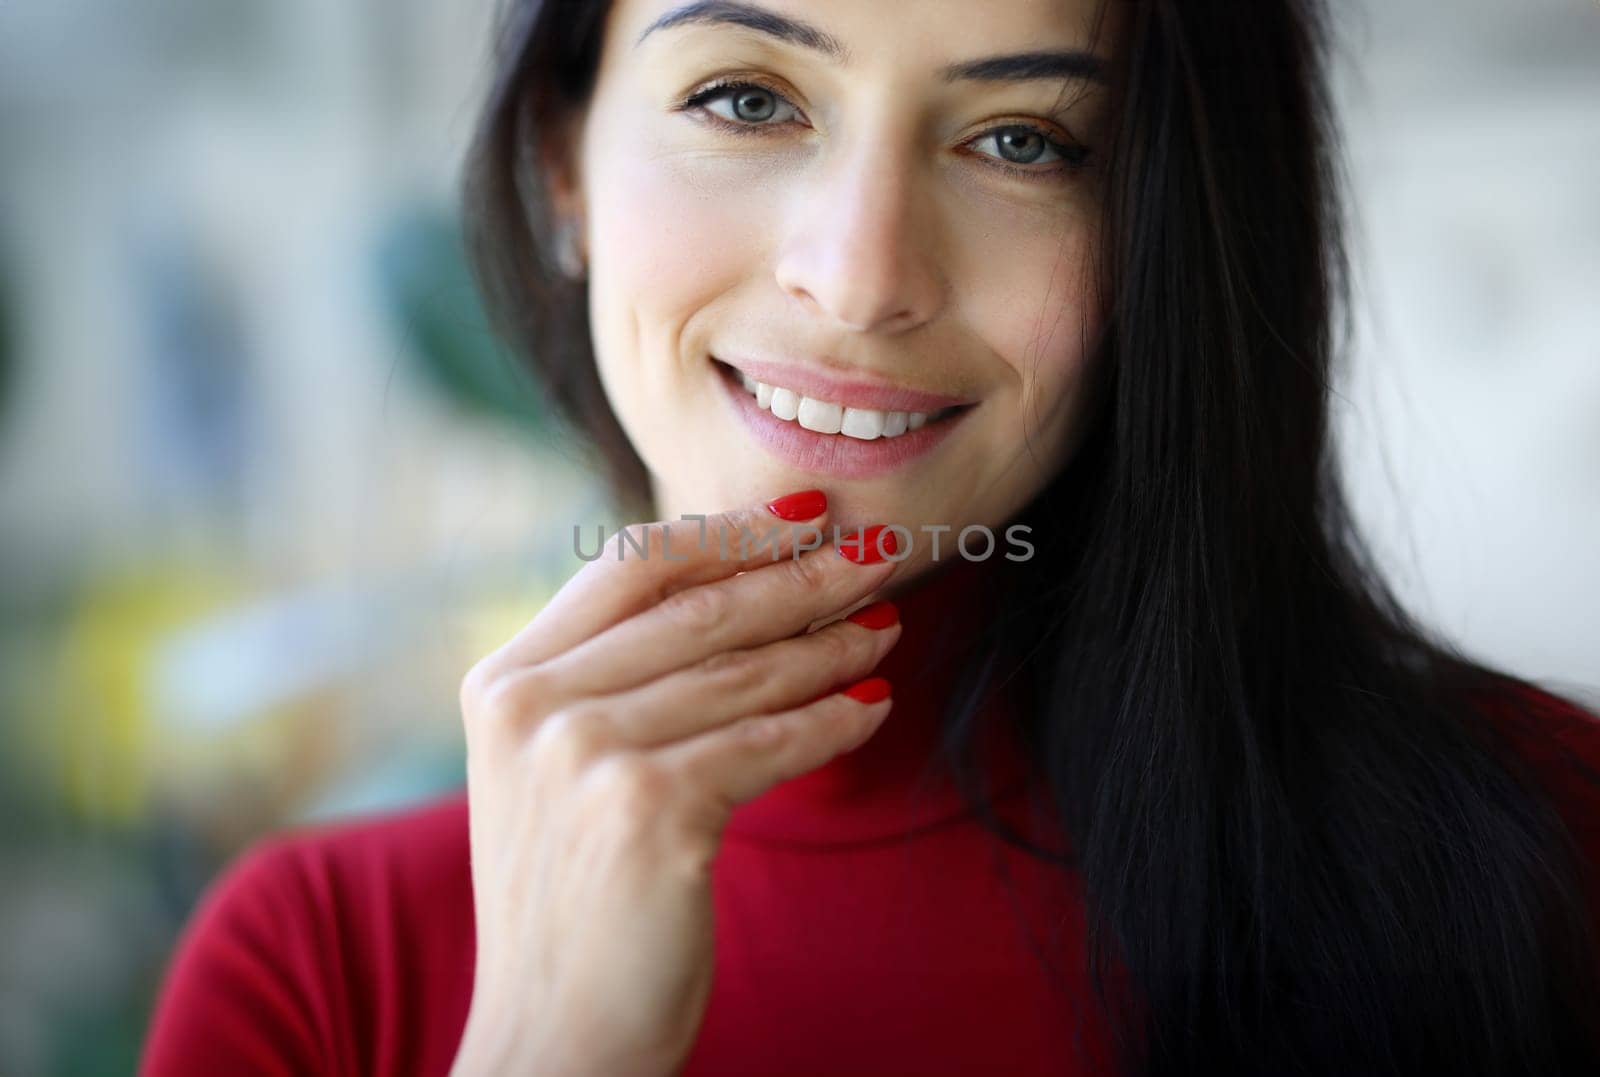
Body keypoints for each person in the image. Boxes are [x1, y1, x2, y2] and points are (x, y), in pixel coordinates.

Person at [140, 1, 1600, 1074]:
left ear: (1170, 228)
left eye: (1022, 138)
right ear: (564, 157)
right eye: (746, 99)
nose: (858, 278)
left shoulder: (1544, 849)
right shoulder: (313, 973)